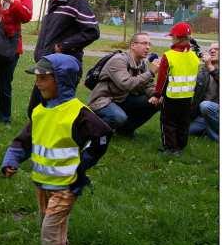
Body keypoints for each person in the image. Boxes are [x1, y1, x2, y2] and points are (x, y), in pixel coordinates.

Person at [1, 53, 112, 245]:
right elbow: (24, 141)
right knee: (48, 225)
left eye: (44, 78)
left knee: (50, 230)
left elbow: (102, 137)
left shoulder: (77, 112)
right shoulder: (40, 111)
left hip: (66, 185)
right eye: (37, 78)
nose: (38, 82)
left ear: (62, 80)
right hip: (42, 183)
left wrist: (81, 167)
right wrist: (11, 160)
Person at [28, 0, 100, 115]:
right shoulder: (56, 0)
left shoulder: (76, 0)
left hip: (63, 68)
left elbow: (92, 31)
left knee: (54, 112)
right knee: (37, 111)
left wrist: (64, 46)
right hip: (47, 65)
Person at [88, 32, 160, 136]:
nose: (148, 47)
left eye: (149, 44)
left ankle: (125, 131)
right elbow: (126, 84)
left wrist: (157, 95)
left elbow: (147, 85)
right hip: (104, 100)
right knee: (118, 117)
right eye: (144, 43)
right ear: (133, 45)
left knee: (155, 102)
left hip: (123, 98)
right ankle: (93, 129)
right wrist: (151, 72)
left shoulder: (142, 63)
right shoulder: (118, 60)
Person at [150, 22, 201, 155]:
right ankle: (181, 146)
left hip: (171, 97)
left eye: (172, 36)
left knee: (168, 123)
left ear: (176, 38)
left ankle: (170, 148)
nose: (171, 38)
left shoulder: (169, 55)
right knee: (183, 122)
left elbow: (162, 78)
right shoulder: (194, 56)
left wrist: (157, 95)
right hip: (188, 96)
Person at [190, 42, 219, 141]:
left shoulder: (210, 67)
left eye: (216, 49)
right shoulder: (204, 71)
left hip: (216, 110)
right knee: (187, 130)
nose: (212, 51)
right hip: (205, 115)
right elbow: (195, 93)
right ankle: (210, 129)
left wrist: (210, 66)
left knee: (206, 105)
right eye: (210, 49)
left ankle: (216, 137)